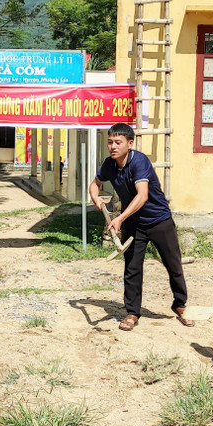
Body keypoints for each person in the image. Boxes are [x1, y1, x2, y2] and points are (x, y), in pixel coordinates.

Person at [88, 123, 192, 331]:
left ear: (130, 143)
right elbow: (94, 184)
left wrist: (119, 218)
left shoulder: (139, 161)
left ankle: (180, 305)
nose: (113, 146)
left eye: (118, 142)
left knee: (173, 265)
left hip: (159, 220)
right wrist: (97, 200)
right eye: (110, 142)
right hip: (135, 224)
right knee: (132, 268)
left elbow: (142, 195)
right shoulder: (109, 164)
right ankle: (132, 312)